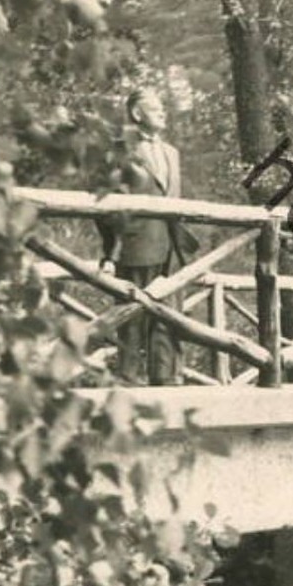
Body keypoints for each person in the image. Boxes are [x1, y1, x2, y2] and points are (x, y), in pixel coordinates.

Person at [98, 88, 188, 385]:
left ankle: (166, 382)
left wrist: (184, 248)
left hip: (170, 246)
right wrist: (111, 252)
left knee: (168, 316)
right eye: (156, 107)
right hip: (133, 244)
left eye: (164, 107)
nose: (163, 112)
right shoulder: (119, 149)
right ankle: (128, 381)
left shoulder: (172, 153)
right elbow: (106, 203)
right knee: (131, 317)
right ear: (137, 114)